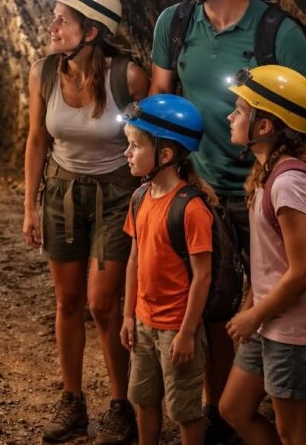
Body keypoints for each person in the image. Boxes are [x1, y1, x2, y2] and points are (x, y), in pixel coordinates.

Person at [151, 0, 306, 444]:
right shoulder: (173, 25)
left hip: (270, 191)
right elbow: (160, 101)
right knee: (219, 307)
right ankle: (223, 414)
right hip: (210, 196)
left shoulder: (276, 32)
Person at [23, 0, 149, 444]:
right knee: (68, 302)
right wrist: (30, 207)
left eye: (63, 20)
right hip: (61, 192)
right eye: (54, 17)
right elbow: (37, 140)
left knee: (102, 304)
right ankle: (73, 401)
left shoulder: (128, 76)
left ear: (91, 32)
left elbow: (153, 137)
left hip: (116, 195)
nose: (52, 26)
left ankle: (123, 405)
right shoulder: (43, 72)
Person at [218, 64, 306, 444]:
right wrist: (253, 304)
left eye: (240, 109)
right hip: (270, 319)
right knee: (233, 408)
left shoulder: (287, 184)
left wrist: (254, 314)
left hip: (294, 330)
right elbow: (272, 260)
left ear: (265, 126)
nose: (230, 116)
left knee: (294, 432)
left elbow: (302, 272)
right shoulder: (268, 176)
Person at [120, 94, 214, 444]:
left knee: (184, 410)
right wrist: (128, 315)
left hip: (176, 327)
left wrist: (188, 331)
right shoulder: (140, 197)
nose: (126, 153)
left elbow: (202, 275)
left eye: (134, 146)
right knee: (143, 399)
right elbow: (134, 259)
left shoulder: (190, 210)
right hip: (144, 323)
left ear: (165, 155)